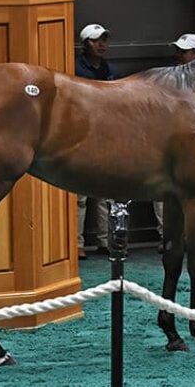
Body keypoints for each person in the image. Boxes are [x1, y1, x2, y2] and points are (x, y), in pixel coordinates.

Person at [153, 33, 195, 252]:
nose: (179, 56)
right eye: (179, 51)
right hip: (171, 141)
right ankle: (168, 236)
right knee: (163, 190)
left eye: (184, 52)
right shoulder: (169, 78)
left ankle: (190, 238)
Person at [75, 23, 119, 259]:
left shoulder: (111, 70)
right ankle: (76, 244)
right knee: (79, 197)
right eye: (96, 40)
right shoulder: (74, 69)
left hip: (106, 136)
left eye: (104, 39)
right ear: (85, 44)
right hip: (81, 136)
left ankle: (106, 241)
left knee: (105, 193)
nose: (101, 44)